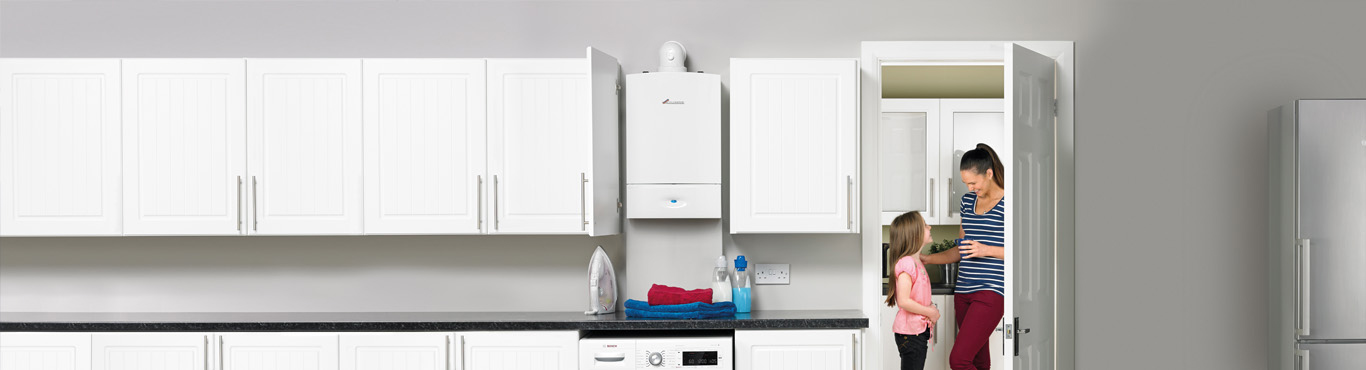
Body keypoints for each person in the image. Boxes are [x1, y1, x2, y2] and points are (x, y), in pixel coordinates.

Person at [920, 143, 1006, 370]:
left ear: (989, 174)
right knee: (978, 360)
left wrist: (986, 250)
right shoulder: (968, 202)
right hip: (964, 291)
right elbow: (961, 249)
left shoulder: (1010, 203)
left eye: (973, 183)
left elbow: (1024, 253)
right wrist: (927, 259)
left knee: (959, 360)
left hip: (991, 291)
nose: (969, 188)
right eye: (966, 183)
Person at [886, 211, 940, 370]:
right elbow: (903, 301)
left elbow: (917, 295)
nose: (929, 227)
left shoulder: (916, 262)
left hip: (916, 332)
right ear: (915, 234)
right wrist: (930, 312)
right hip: (911, 334)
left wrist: (930, 308)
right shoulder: (907, 263)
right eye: (925, 225)